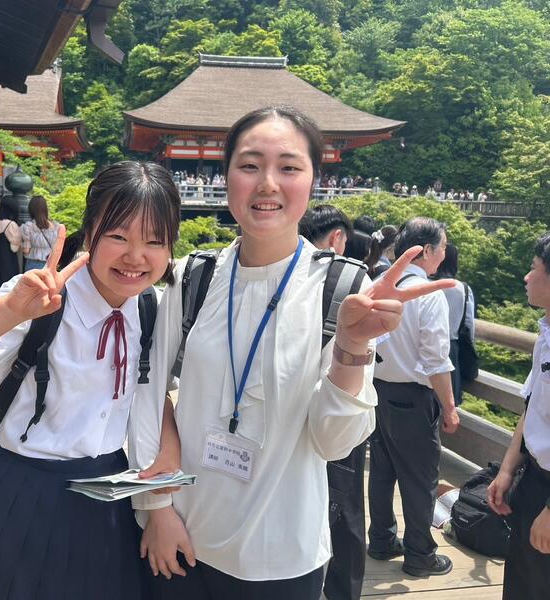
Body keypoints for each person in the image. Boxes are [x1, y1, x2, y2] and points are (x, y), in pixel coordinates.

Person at [130, 106, 454, 599]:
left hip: (283, 552)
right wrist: (156, 507)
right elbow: (148, 390)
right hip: (181, 535)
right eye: (249, 165)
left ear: (313, 180)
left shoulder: (340, 286)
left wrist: (351, 347)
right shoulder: (194, 276)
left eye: (288, 167)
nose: (267, 183)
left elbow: (334, 442)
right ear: (226, 175)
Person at [0, 161, 185, 600]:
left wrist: (162, 489)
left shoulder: (152, 309)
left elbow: (151, 391)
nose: (135, 257)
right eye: (118, 236)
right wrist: (8, 313)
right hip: (20, 493)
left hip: (107, 497)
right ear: (90, 232)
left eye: (154, 241)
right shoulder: (37, 300)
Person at [368, 217, 460, 578]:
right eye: (443, 247)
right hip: (413, 398)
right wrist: (449, 407)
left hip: (377, 391)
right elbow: (436, 360)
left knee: (382, 471)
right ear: (428, 250)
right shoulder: (429, 294)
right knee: (420, 479)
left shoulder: (379, 285)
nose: (444, 254)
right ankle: (420, 555)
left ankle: (381, 541)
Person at [299, 203, 368, 600]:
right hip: (341, 409)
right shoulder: (350, 281)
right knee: (347, 510)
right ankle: (343, 590)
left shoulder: (279, 274)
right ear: (338, 237)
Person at [488, 233, 550, 599]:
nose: (526, 276)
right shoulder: (545, 332)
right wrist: (507, 470)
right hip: (533, 480)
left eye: (534, 267)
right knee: (522, 582)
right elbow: (532, 407)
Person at [431, 243, 474, 406]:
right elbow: (468, 324)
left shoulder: (424, 283)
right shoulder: (463, 288)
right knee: (446, 402)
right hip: (451, 348)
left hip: (423, 343)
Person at [20, 195, 60, 272]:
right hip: (50, 264)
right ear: (45, 209)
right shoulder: (56, 226)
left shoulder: (28, 227)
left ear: (31, 209)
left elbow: (26, 250)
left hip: (33, 264)